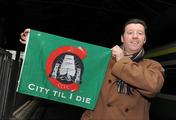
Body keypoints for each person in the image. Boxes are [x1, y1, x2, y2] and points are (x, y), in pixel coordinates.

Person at [19, 18, 164, 120]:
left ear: (144, 39)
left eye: (140, 33)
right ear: (122, 38)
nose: (134, 36)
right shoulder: (104, 59)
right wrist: (36, 41)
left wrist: (122, 60)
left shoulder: (152, 66)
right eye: (130, 32)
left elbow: (153, 86)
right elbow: (67, 52)